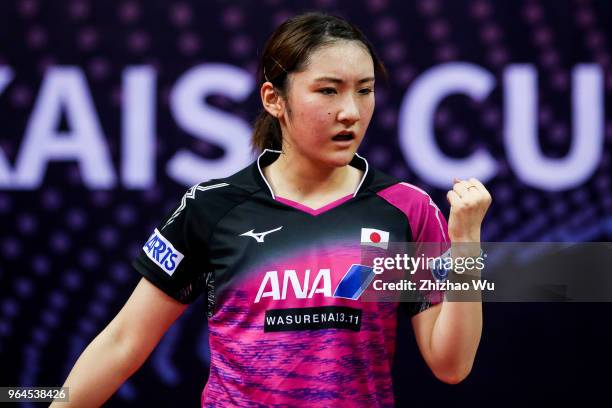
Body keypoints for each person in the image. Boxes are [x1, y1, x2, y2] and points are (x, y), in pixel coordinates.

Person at [52, 12, 491, 407]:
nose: (351, 112)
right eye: (328, 91)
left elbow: (450, 365)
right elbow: (123, 342)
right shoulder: (212, 206)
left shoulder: (405, 209)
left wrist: (467, 243)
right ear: (273, 98)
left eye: (364, 91)